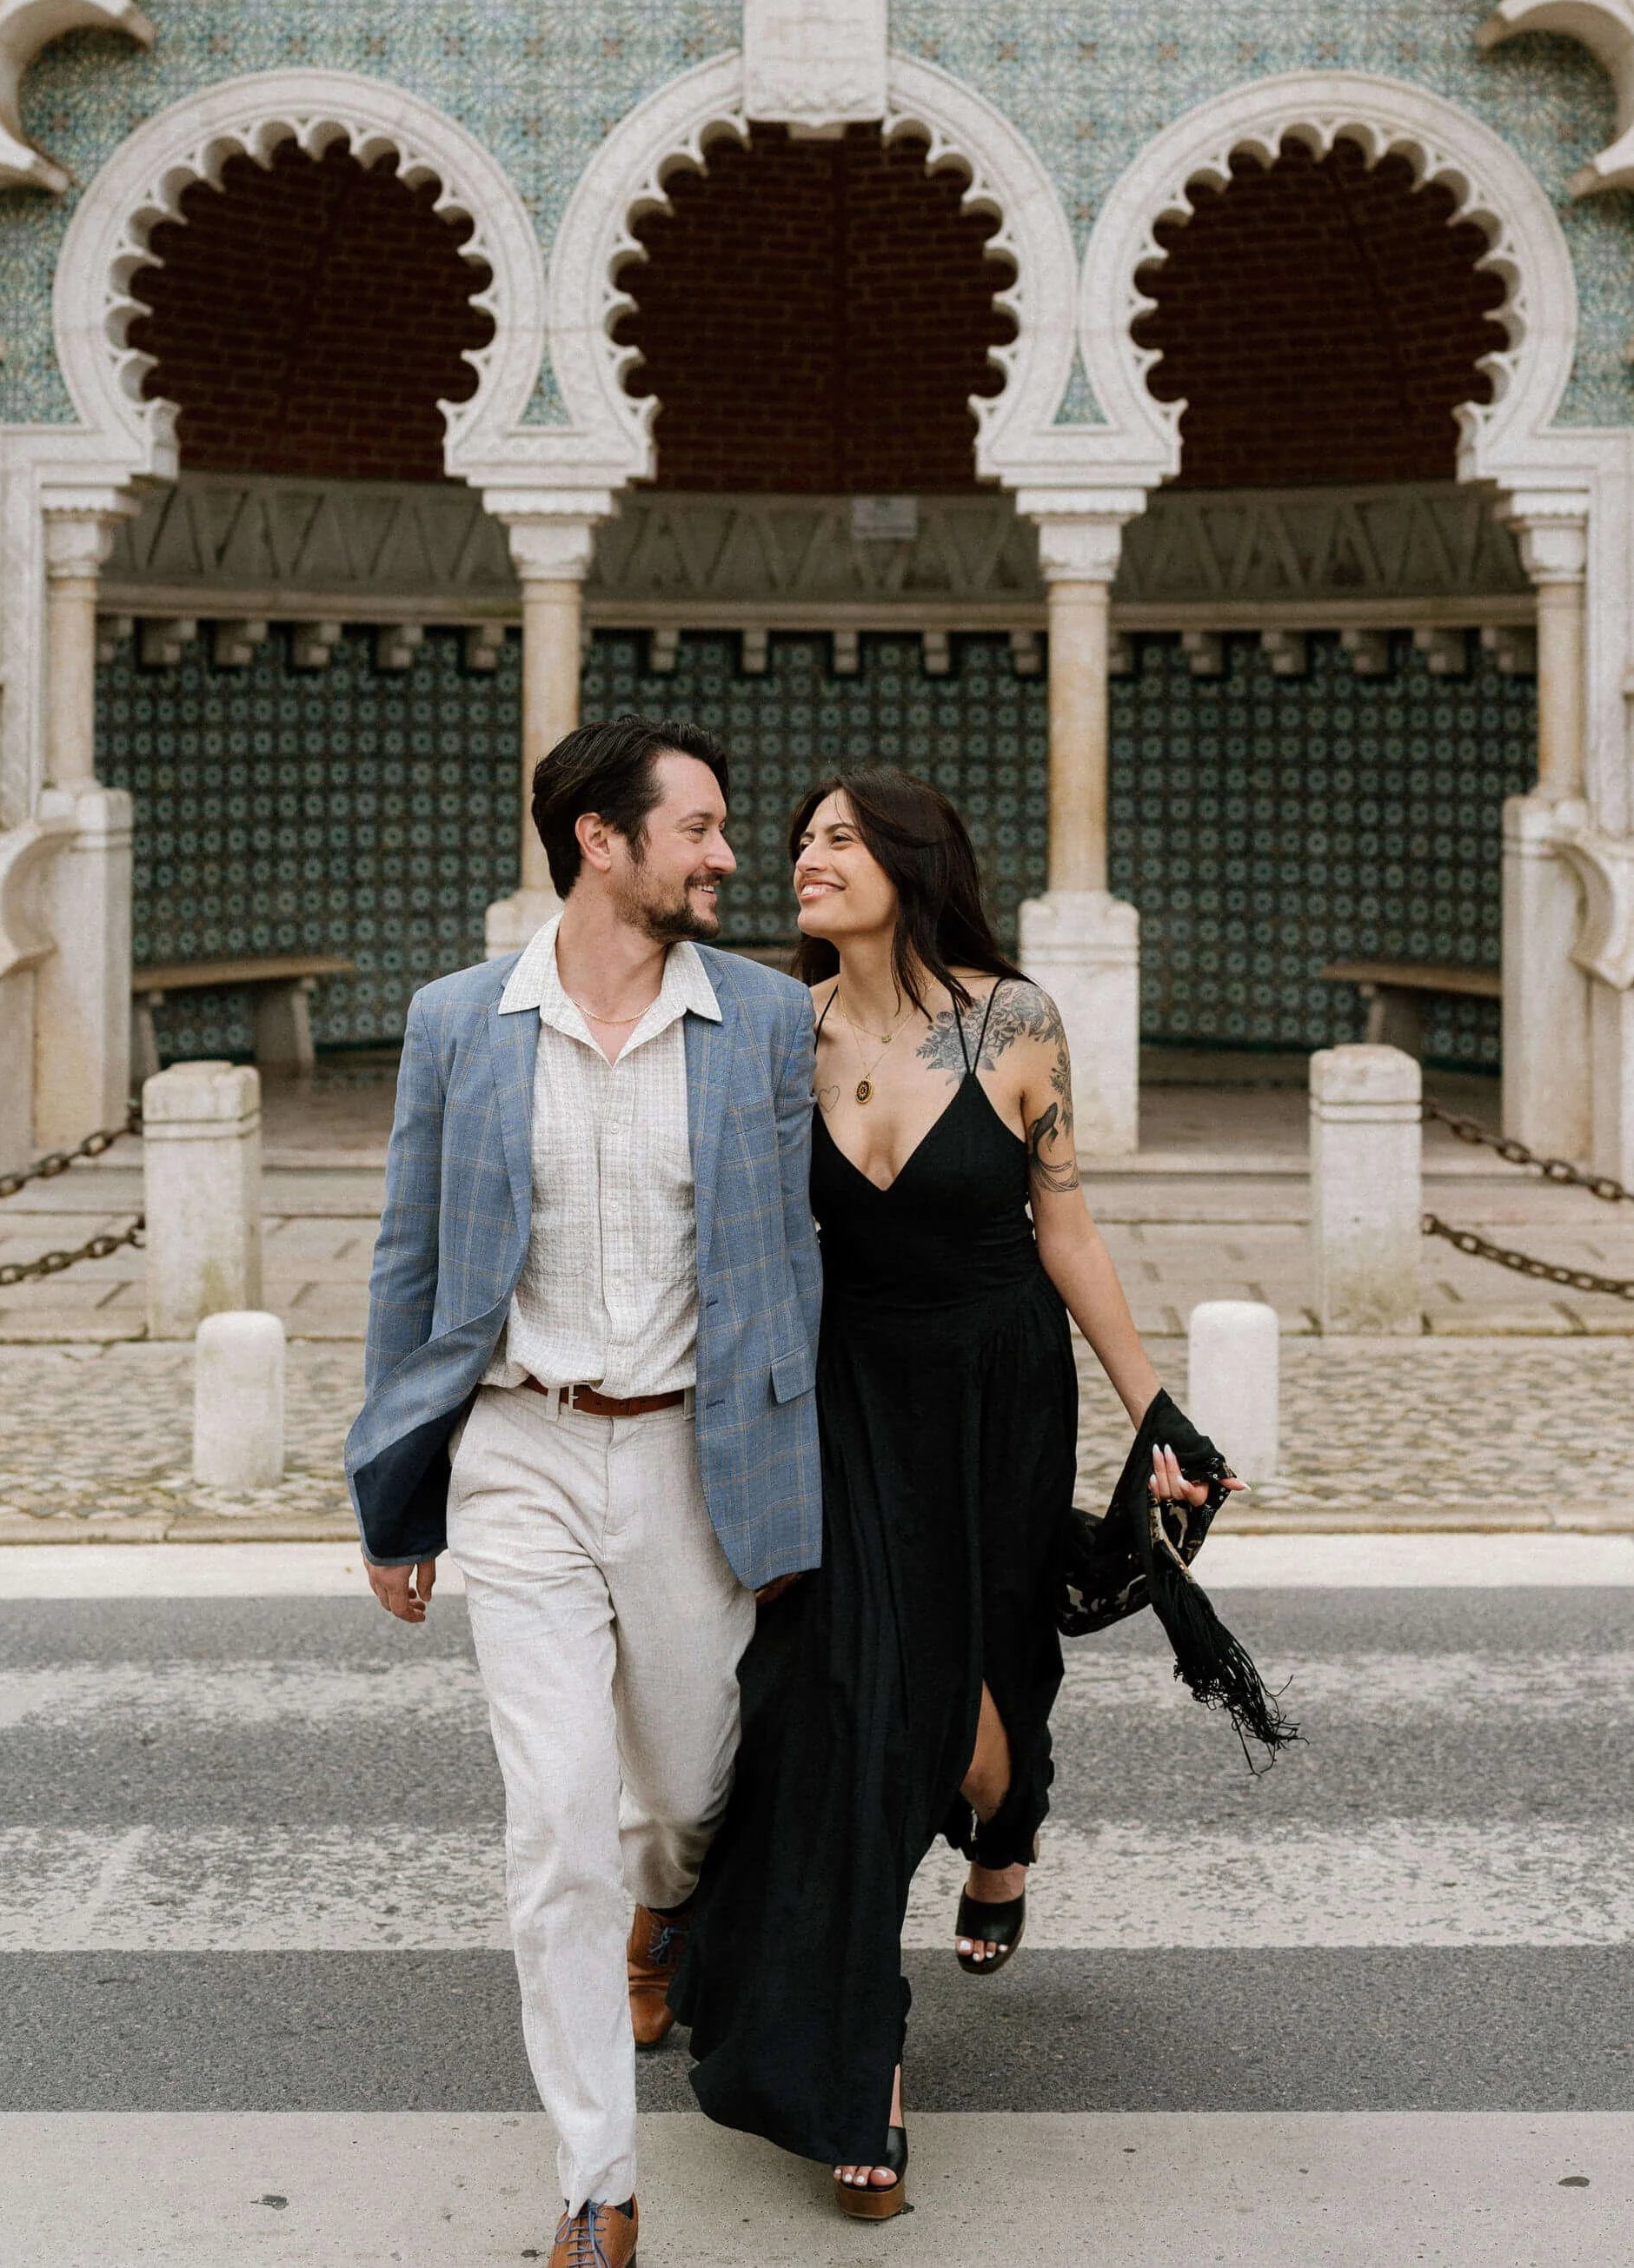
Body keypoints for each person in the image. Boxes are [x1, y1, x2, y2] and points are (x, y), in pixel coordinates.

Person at [672, 766, 1215, 2222]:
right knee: (849, 1708)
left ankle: (1007, 1818)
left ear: (912, 859)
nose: (804, 858)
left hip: (993, 1397)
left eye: (838, 838)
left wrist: (1151, 1399)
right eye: (798, 841)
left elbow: (1067, 1223)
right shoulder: (776, 1032)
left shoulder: (1015, 1019)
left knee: (983, 1688)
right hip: (844, 1403)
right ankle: (863, 2065)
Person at [344, 715, 822, 2268]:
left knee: (681, 1796)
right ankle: (598, 2180)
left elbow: (821, 1251)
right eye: (700, 827)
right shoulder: (458, 1021)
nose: (730, 855)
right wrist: (395, 1497)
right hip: (519, 1451)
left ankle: (664, 1910)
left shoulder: (760, 1019)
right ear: (602, 842)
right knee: (554, 1822)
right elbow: (411, 1264)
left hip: (698, 1452)